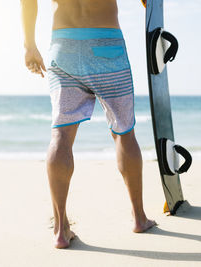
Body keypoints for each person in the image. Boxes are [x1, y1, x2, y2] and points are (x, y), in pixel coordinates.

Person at [20, 0, 156, 249]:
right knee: (124, 131)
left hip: (63, 48)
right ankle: (139, 217)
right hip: (108, 45)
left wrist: (29, 45)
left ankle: (61, 230)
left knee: (61, 134)